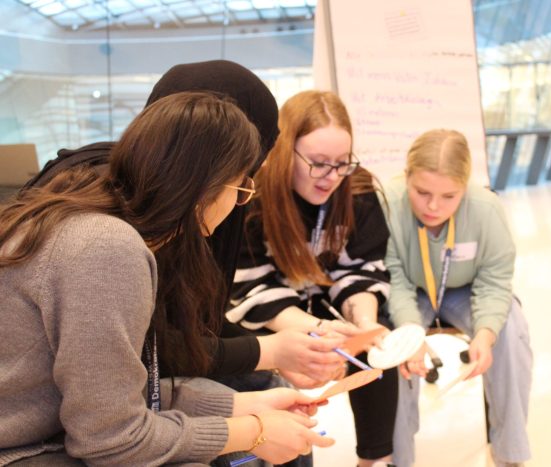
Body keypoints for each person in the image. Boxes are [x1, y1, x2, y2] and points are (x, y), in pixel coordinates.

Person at [0, 92, 334, 465]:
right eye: (241, 189)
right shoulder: (105, 247)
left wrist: (246, 406)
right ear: (206, 186)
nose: (239, 205)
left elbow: (123, 391)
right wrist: (253, 431)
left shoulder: (98, 225)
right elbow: (111, 440)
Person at [20, 60, 346, 386]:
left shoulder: (141, 195)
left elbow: (191, 324)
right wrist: (267, 359)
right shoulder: (110, 234)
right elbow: (125, 379)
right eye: (240, 181)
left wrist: (278, 352)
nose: (240, 198)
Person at [228, 90, 399, 467]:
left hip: (321, 299)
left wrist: (365, 324)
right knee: (271, 380)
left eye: (342, 163)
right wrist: (317, 330)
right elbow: (250, 290)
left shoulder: (358, 189)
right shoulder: (252, 197)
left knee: (378, 343)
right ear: (286, 149)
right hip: (264, 315)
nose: (332, 177)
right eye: (318, 163)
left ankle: (375, 459)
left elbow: (360, 271)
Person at [382, 129, 533, 467]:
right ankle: (398, 459)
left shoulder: (486, 209)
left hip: (464, 291)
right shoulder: (387, 203)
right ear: (406, 177)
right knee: (394, 341)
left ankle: (510, 454)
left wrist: (486, 333)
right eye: (421, 193)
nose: (433, 206)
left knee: (511, 328)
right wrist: (410, 331)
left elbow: (495, 280)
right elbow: (391, 278)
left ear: (466, 186)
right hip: (410, 291)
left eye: (449, 196)